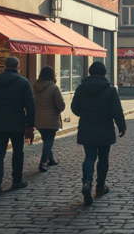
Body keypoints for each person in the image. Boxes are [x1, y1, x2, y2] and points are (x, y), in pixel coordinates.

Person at [71, 61, 126, 205]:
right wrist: (121, 126)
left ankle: (87, 182)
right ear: (104, 73)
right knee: (103, 158)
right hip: (104, 129)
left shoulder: (81, 89)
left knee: (89, 157)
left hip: (87, 128)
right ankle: (100, 186)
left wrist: (85, 114)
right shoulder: (110, 90)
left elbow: (74, 108)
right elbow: (116, 111)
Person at [0, 56, 36, 197]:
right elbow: (30, 106)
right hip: (17, 124)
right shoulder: (23, 83)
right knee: (18, 152)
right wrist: (30, 125)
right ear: (17, 66)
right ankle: (17, 180)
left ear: (5, 65)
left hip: (0, 123)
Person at [33, 66, 66, 173]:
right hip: (51, 117)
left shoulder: (35, 86)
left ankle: (50, 159)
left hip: (38, 117)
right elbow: (60, 104)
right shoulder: (53, 88)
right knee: (49, 140)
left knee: (45, 139)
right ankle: (42, 162)